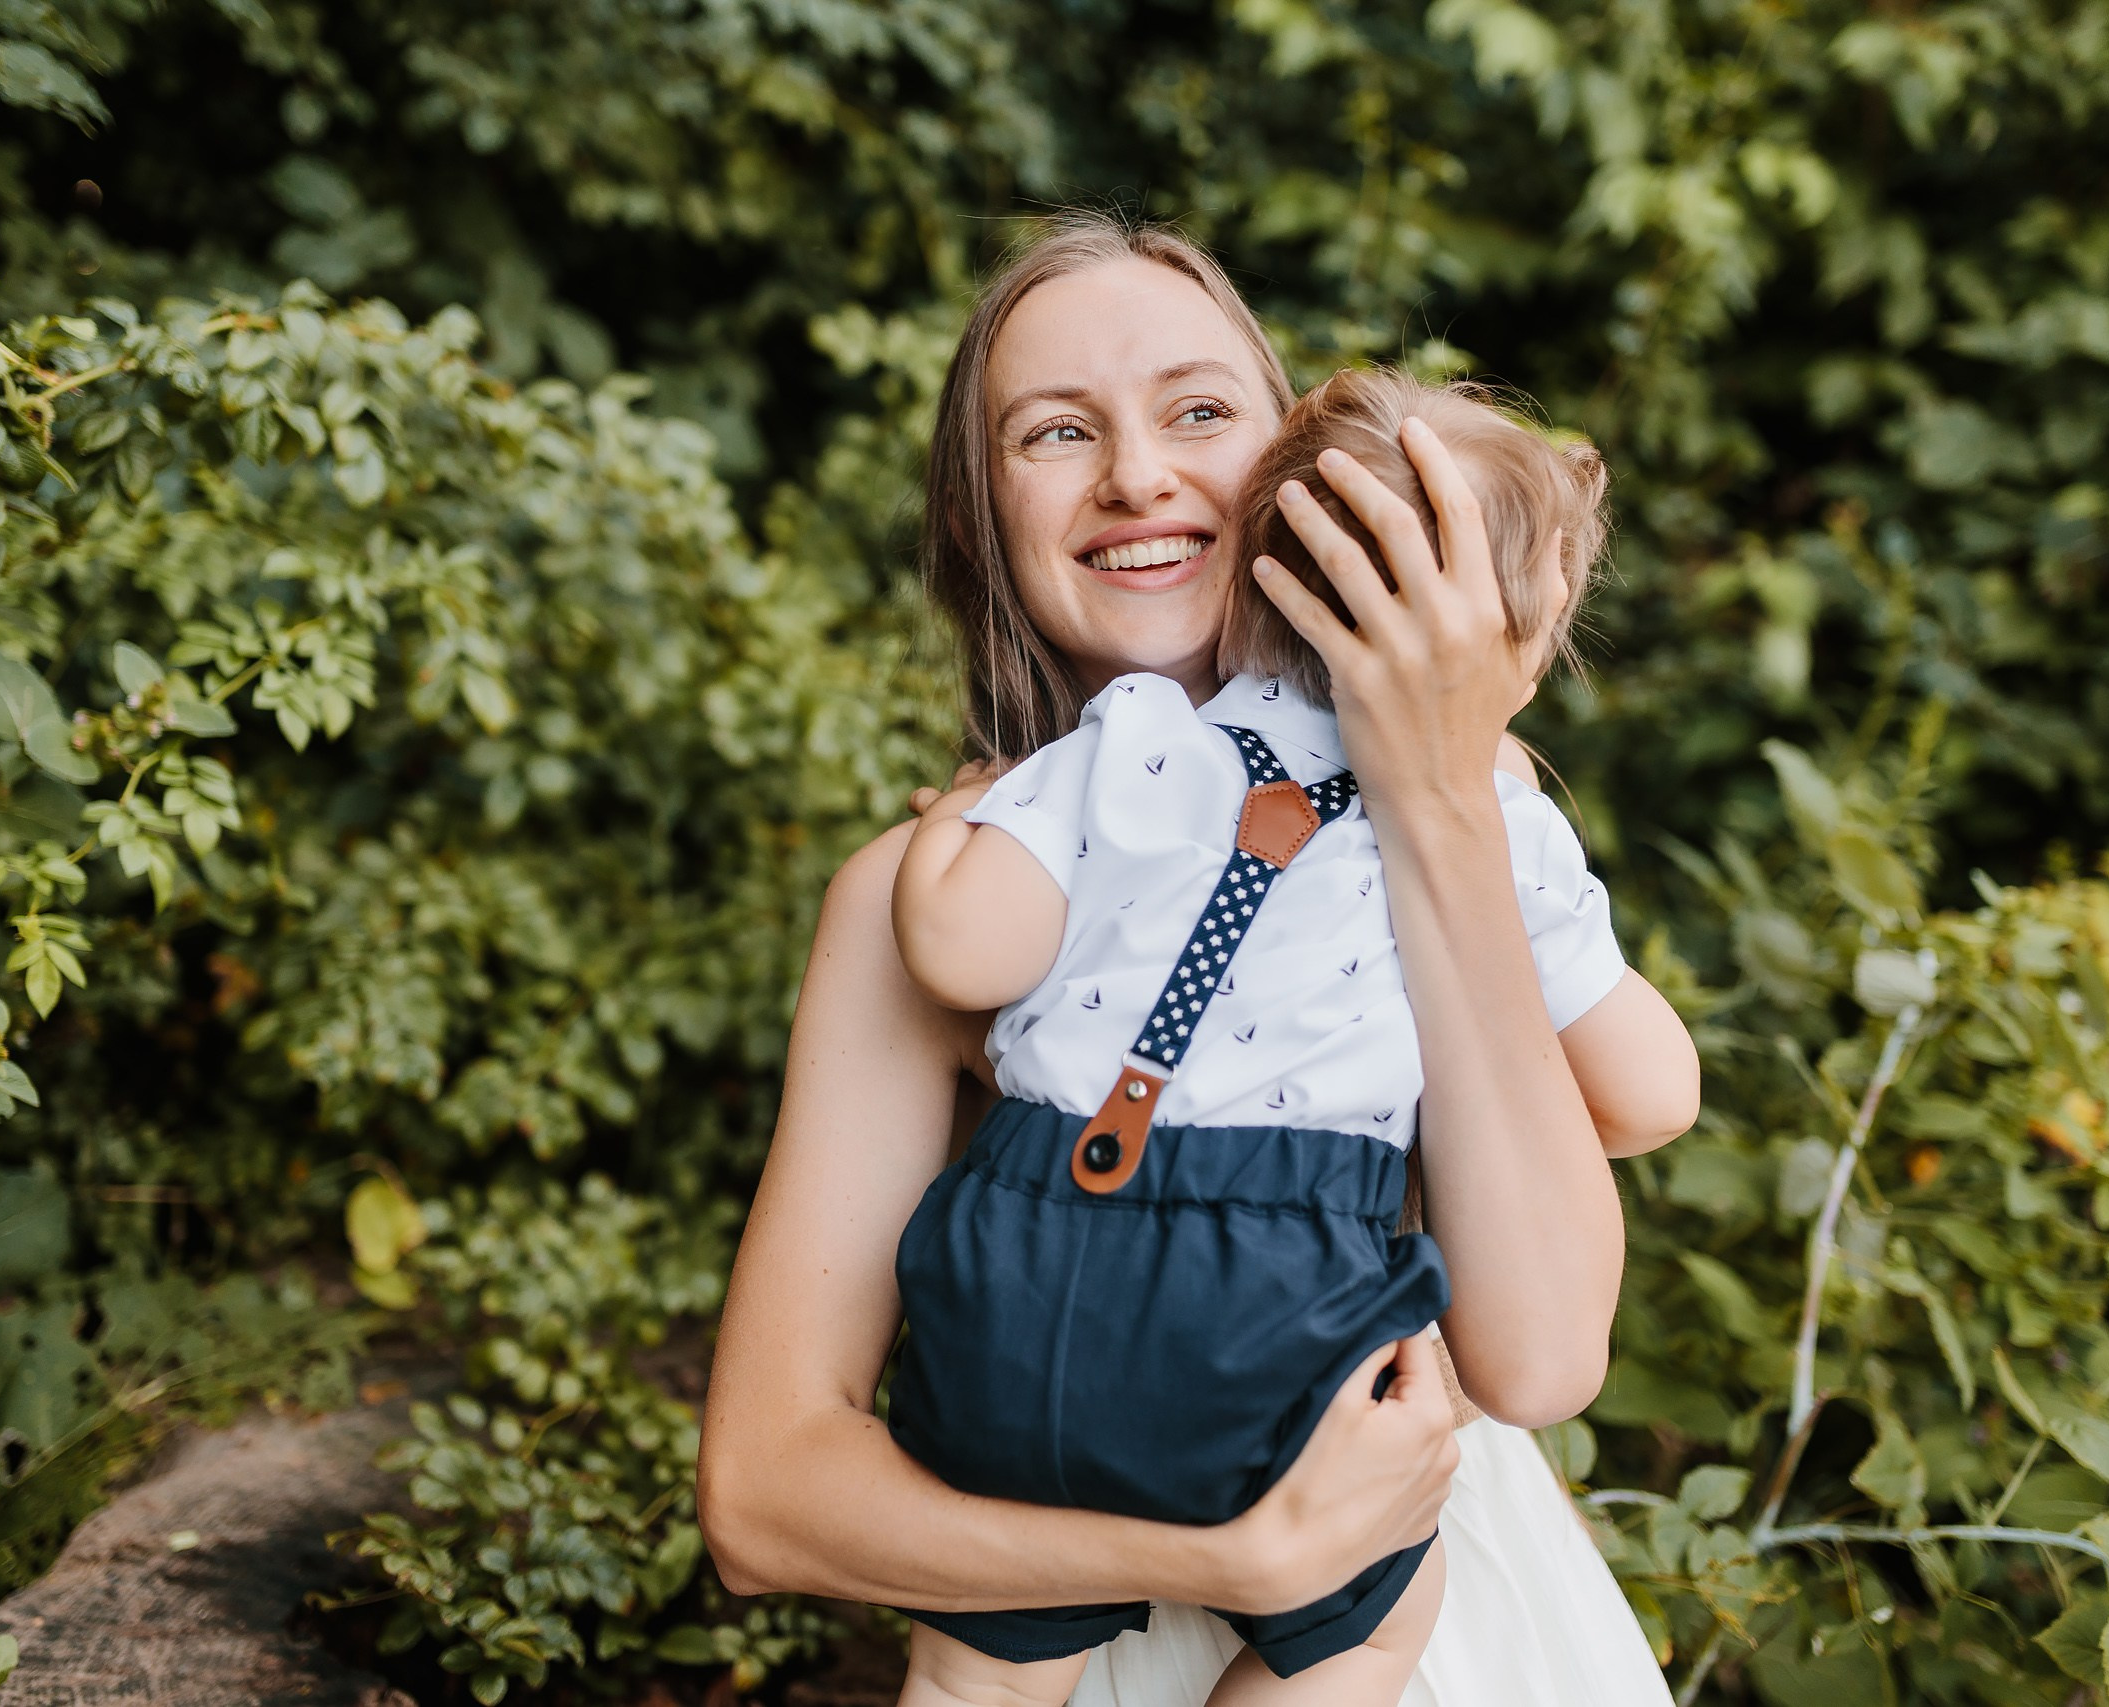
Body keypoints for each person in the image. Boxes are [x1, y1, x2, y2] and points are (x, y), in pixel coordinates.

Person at [698, 214, 1701, 1705]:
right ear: (983, 518)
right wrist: (1233, 1564)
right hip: (1153, 1622)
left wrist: (1442, 796)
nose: (1139, 476)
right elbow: (765, 1500)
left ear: (1309, 474)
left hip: (1431, 1607)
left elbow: (1541, 1357)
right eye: (1054, 432)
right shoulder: (912, 897)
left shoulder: (1467, 833)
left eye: (1201, 412)